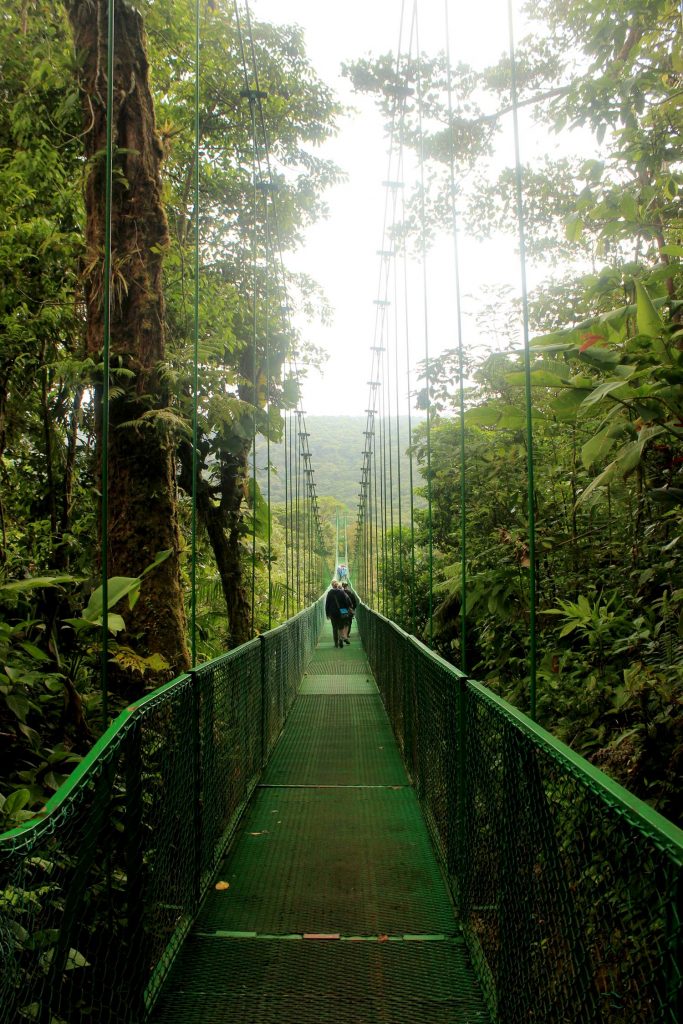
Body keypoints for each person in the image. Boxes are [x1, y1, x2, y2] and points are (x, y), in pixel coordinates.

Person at [325, 579, 353, 648]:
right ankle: (341, 639)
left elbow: (327, 604)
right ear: (337, 585)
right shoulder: (342, 592)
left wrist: (327, 614)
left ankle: (336, 643)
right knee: (341, 626)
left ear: (332, 585)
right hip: (342, 612)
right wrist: (347, 609)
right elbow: (346, 602)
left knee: (334, 627)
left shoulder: (329, 593)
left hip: (333, 613)